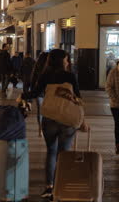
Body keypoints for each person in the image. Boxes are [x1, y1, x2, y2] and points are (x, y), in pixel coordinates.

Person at [29, 49, 88, 200]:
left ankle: (49, 186)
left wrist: (22, 96)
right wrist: (83, 120)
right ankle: (61, 186)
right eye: (66, 60)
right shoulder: (70, 76)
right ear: (62, 61)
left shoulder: (45, 75)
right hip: (67, 119)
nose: (68, 62)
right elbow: (78, 98)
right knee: (64, 154)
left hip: (49, 117)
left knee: (51, 152)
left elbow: (35, 93)